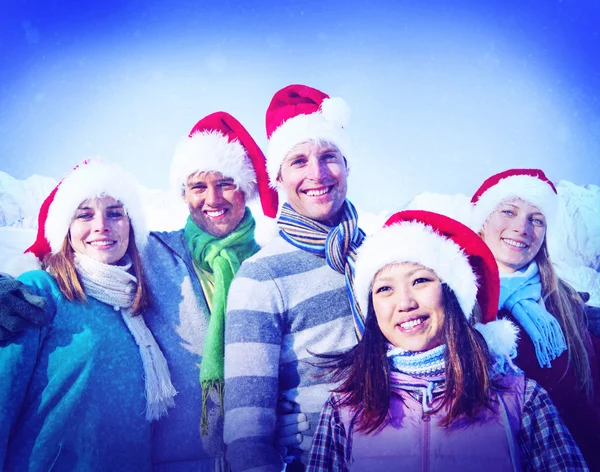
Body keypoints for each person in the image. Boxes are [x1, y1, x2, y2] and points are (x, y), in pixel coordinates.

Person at [308, 210, 588, 471]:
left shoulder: (520, 398)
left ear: (451, 294)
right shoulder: (344, 408)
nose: (404, 302)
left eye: (420, 281)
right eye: (384, 289)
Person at [0, 159, 175, 471]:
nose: (101, 226)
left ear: (130, 226)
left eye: (114, 214)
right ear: (66, 229)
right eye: (85, 215)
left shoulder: (132, 304)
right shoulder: (38, 293)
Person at [224, 84, 363, 472]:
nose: (317, 173)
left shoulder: (381, 257)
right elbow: (247, 430)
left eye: (329, 156)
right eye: (298, 161)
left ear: (347, 165)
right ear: (279, 179)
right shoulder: (261, 277)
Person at [140, 111, 278, 470]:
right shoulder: (151, 254)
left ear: (246, 188)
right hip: (175, 459)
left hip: (255, 460)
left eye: (226, 183)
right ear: (183, 194)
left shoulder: (267, 268)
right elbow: (83, 261)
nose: (213, 198)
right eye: (199, 187)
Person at [471, 168, 600, 470]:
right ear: (483, 221)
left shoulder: (563, 301)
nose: (522, 227)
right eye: (508, 211)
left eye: (536, 219)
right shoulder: (456, 302)